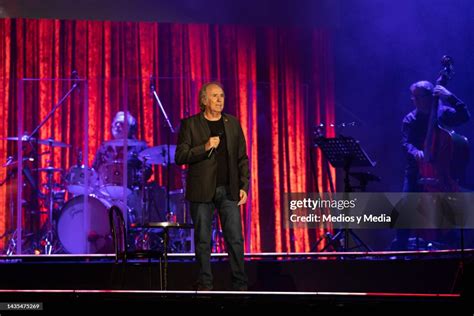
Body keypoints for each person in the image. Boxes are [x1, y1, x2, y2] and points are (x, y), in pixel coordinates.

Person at [175, 81, 249, 291]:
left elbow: (242, 158)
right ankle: (205, 284)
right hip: (201, 191)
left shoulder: (233, 123)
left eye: (222, 96)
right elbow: (180, 156)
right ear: (204, 100)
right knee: (203, 241)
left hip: (229, 190)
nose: (219, 100)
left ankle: (240, 285)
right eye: (215, 96)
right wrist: (204, 147)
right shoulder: (190, 124)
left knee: (235, 239)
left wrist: (244, 186)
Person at [393, 80, 470, 250]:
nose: (415, 101)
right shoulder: (410, 119)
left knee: (448, 209)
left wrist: (449, 96)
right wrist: (416, 152)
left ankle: (453, 250)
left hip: (442, 173)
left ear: (430, 96)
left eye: (418, 97)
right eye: (414, 97)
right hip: (416, 171)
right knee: (406, 206)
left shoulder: (443, 114)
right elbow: (406, 144)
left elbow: (465, 116)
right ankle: (398, 249)